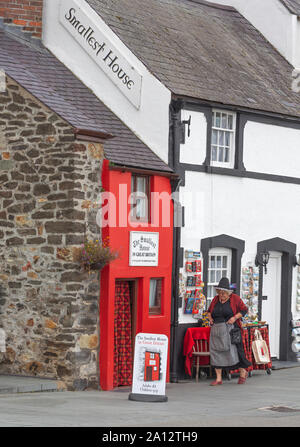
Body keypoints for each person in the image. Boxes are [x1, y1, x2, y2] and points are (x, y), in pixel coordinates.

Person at [207, 277, 251, 386]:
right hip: (217, 330)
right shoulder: (215, 300)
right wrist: (210, 319)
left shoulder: (235, 299)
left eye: (224, 294)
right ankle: (218, 379)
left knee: (237, 351)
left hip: (232, 330)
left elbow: (244, 310)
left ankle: (242, 372)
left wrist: (235, 317)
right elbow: (208, 312)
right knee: (216, 352)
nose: (221, 296)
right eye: (220, 293)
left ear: (228, 293)